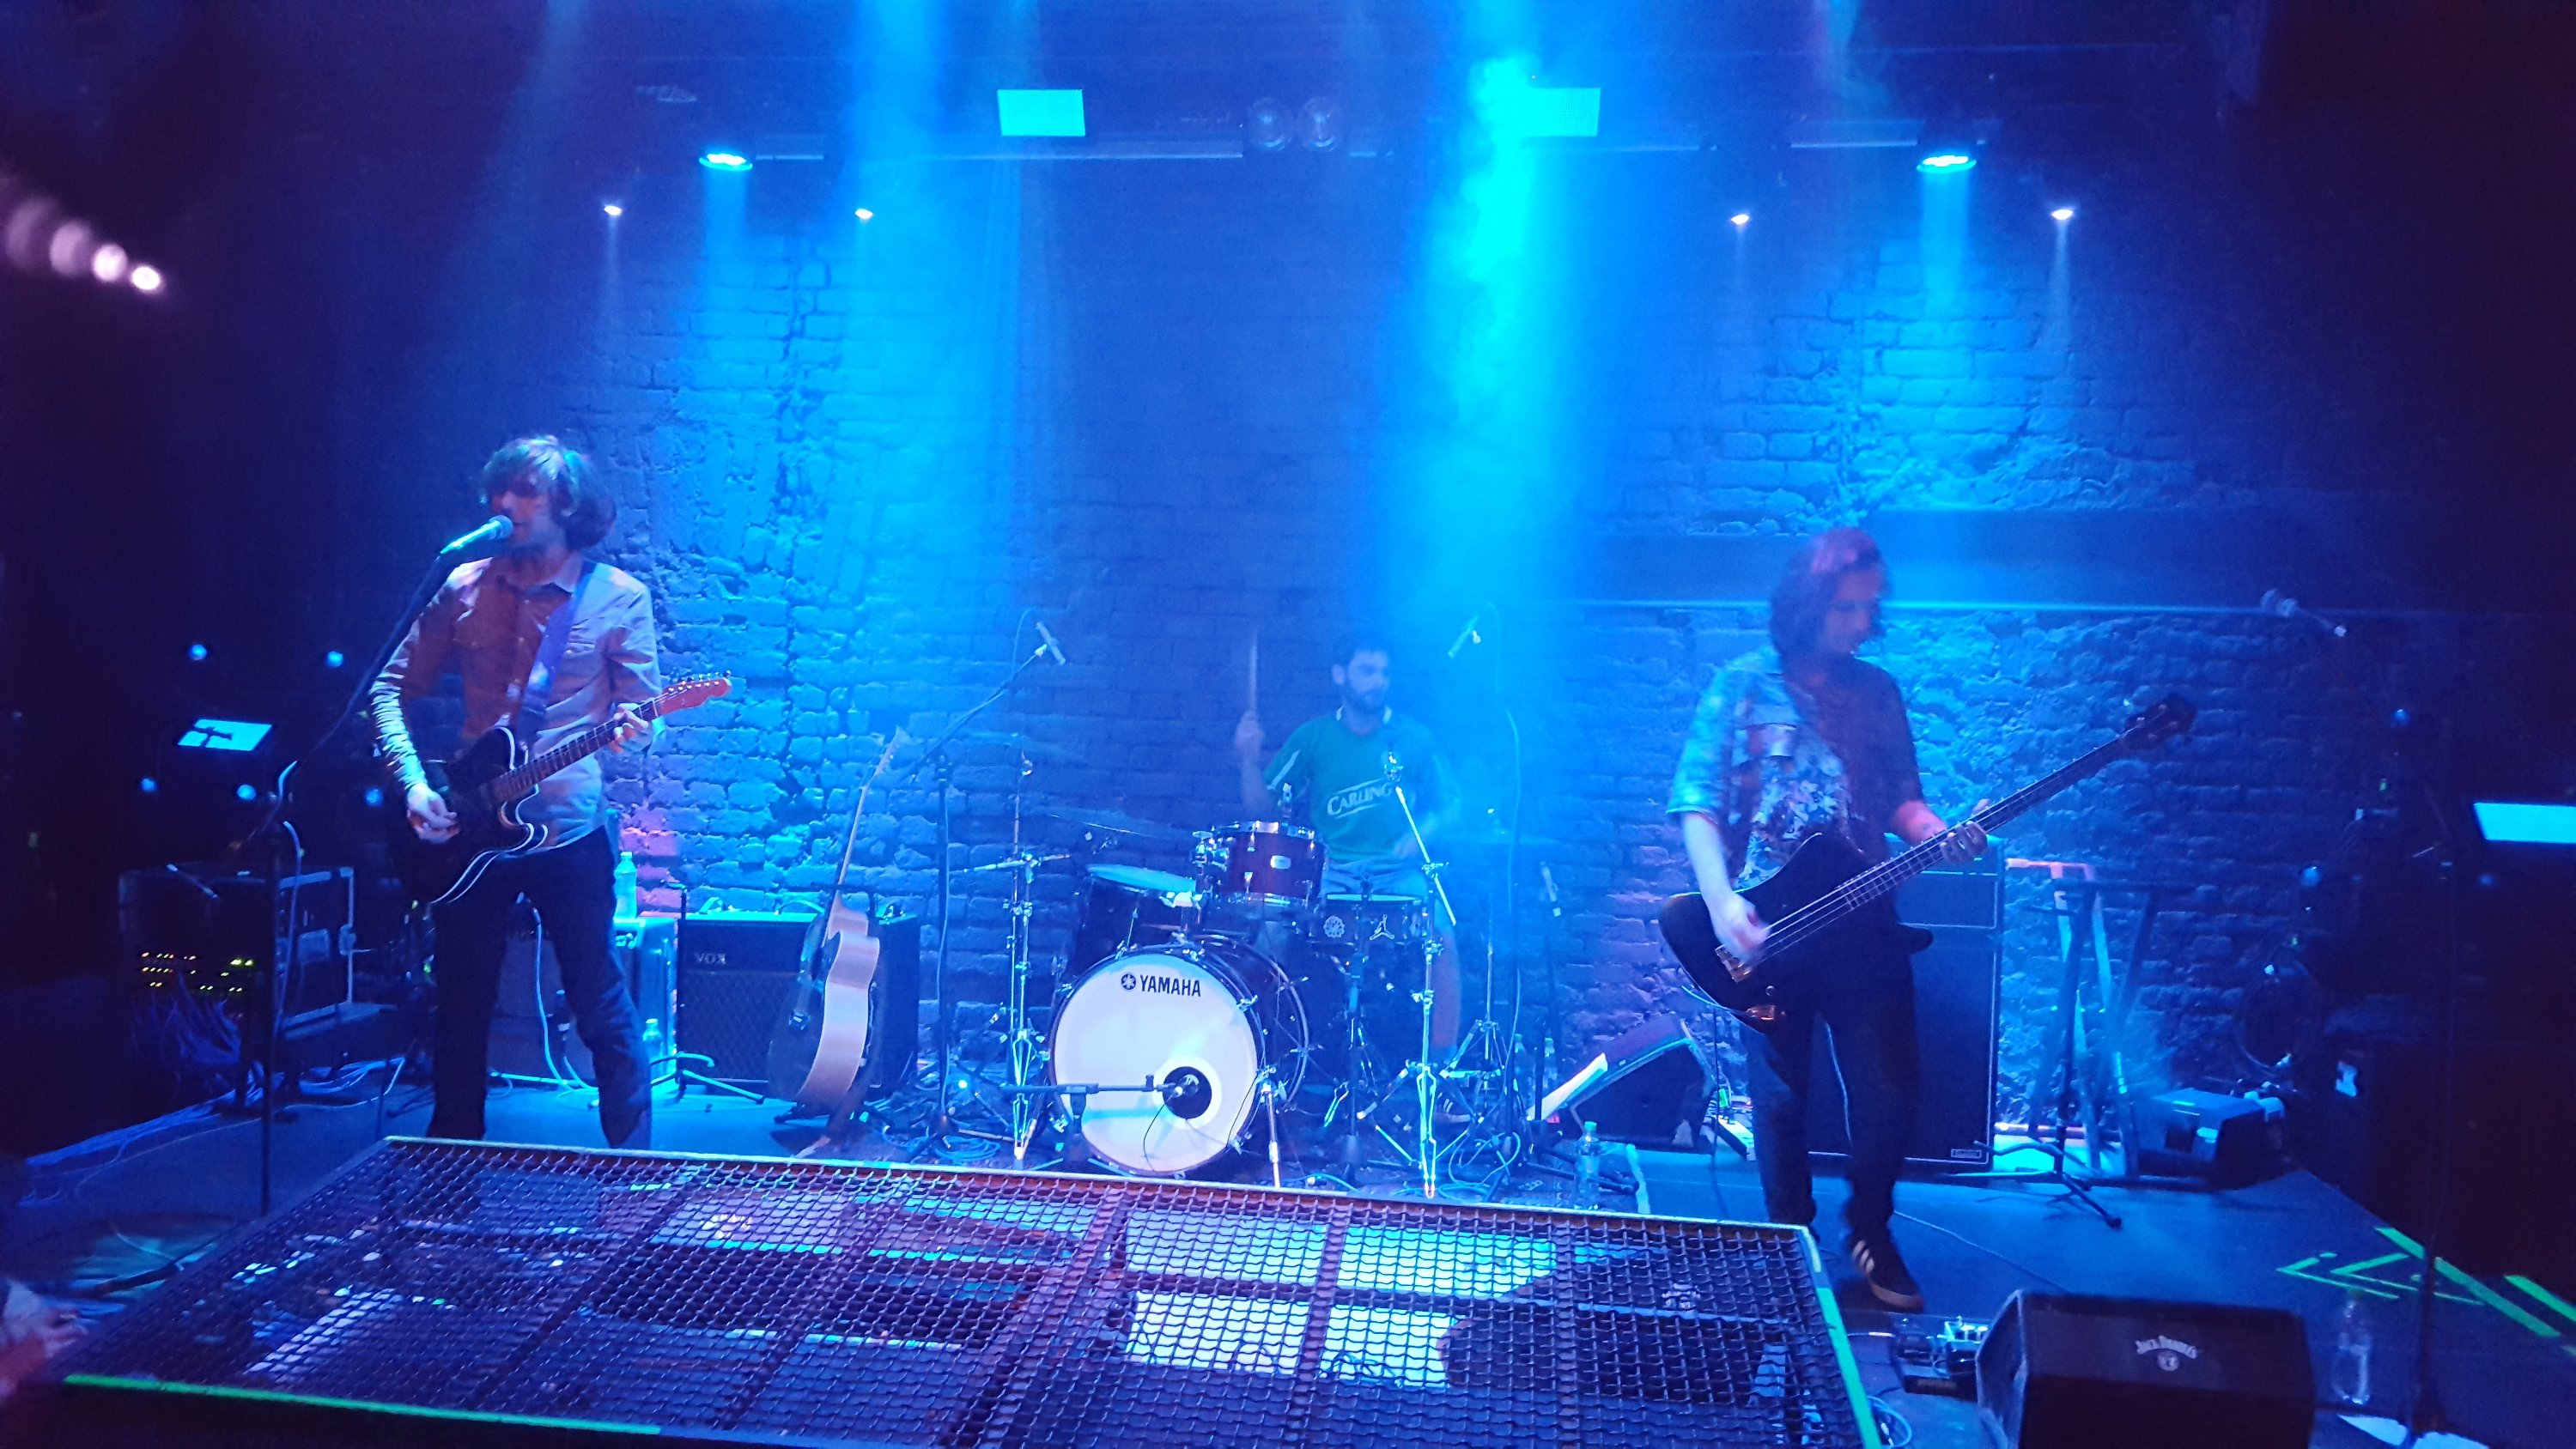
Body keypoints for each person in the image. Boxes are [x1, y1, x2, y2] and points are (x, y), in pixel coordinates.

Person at [1667, 529, 1984, 1310]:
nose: (1863, 622)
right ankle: (1791, 1240)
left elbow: (1903, 800)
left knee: (1890, 1088)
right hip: (1770, 923)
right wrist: (1722, 903)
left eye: (1871, 607)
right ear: (1807, 605)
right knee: (1779, 1098)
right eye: (1847, 607)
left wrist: (1938, 834)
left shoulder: (1878, 692)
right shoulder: (1740, 686)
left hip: (1864, 918)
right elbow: (1697, 803)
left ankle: (1871, 1229)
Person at [372, 436, 660, 1149]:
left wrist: (633, 730)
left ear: (568, 506)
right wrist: (413, 785)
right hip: (469, 829)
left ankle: (637, 1180)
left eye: (525, 492)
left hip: (568, 831)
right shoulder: (463, 584)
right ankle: (450, 1182)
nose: (506, 504)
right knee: (459, 1009)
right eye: (500, 491)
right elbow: (387, 688)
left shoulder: (618, 597)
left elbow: (643, 714)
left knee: (598, 1001)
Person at [1234, 629, 1464, 1049]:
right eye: (1367, 671)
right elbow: (1261, 810)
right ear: (1340, 675)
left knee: (1443, 937)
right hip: (1332, 871)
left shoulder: (1414, 738)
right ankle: (1253, 1048)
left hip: (1396, 873)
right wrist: (1249, 760)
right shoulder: (1314, 737)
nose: (1379, 681)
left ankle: (1441, 1063)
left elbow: (1452, 806)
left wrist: (1422, 834)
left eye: (1384, 673)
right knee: (1270, 932)